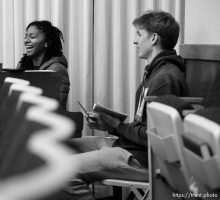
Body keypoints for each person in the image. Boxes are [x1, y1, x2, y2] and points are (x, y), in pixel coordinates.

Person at [62, 10, 189, 200]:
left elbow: (157, 139)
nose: (134, 41)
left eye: (139, 34)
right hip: (132, 148)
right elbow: (144, 126)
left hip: (144, 160)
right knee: (62, 148)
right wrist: (112, 126)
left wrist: (116, 125)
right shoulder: (155, 73)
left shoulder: (165, 78)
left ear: (154, 38)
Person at [16, 20, 70, 108]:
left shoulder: (57, 70)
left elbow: (57, 107)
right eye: (25, 36)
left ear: (46, 42)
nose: (26, 40)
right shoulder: (22, 65)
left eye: (32, 37)